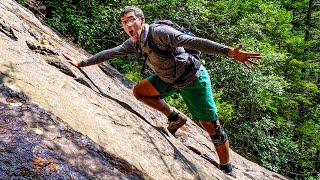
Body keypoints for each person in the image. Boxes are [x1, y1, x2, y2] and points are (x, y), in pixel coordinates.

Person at [67, 6, 261, 175]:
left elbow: (194, 42)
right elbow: (110, 53)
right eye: (124, 22)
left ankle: (226, 168)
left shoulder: (160, 33)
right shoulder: (134, 43)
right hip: (167, 80)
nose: (128, 25)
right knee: (140, 91)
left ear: (142, 20)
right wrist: (82, 63)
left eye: (131, 20)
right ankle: (175, 116)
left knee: (212, 127)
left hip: (192, 79)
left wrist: (229, 52)